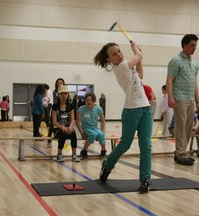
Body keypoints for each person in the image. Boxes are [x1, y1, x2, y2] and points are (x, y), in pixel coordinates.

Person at [94, 42, 152, 194]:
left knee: (146, 146)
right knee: (125, 144)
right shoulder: (120, 67)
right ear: (109, 60)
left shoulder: (128, 67)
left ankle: (145, 180)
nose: (119, 54)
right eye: (114, 54)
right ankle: (107, 166)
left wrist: (140, 56)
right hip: (131, 112)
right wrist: (137, 51)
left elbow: (141, 75)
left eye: (119, 51)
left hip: (146, 109)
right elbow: (137, 57)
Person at [166, 34, 199, 166]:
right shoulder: (176, 61)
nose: (194, 48)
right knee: (180, 126)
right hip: (179, 98)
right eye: (192, 45)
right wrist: (170, 97)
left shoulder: (195, 63)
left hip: (191, 99)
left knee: (189, 127)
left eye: (196, 45)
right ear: (184, 45)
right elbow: (169, 81)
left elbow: (194, 83)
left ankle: (181, 152)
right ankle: (180, 154)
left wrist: (197, 101)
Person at [52, 85, 80, 162]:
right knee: (63, 133)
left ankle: (74, 154)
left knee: (73, 133)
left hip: (68, 128)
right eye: (62, 94)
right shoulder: (55, 106)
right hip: (58, 129)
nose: (63, 95)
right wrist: (62, 127)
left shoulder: (71, 106)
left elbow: (72, 119)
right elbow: (54, 122)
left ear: (68, 94)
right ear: (58, 95)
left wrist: (70, 127)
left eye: (65, 93)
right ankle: (59, 154)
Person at [76, 93, 106, 158]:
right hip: (86, 128)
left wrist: (101, 131)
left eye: (91, 100)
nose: (89, 101)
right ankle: (83, 151)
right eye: (87, 100)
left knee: (101, 134)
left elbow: (103, 122)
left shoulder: (98, 109)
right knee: (93, 134)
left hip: (95, 128)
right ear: (85, 101)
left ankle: (103, 150)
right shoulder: (81, 109)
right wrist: (81, 134)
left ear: (94, 101)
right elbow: (78, 123)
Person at [47, 78, 65, 148]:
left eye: (61, 82)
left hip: (62, 112)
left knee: (61, 125)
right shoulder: (55, 92)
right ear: (56, 84)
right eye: (58, 83)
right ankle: (49, 141)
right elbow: (55, 102)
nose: (60, 84)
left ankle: (60, 142)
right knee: (52, 126)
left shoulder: (65, 91)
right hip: (55, 111)